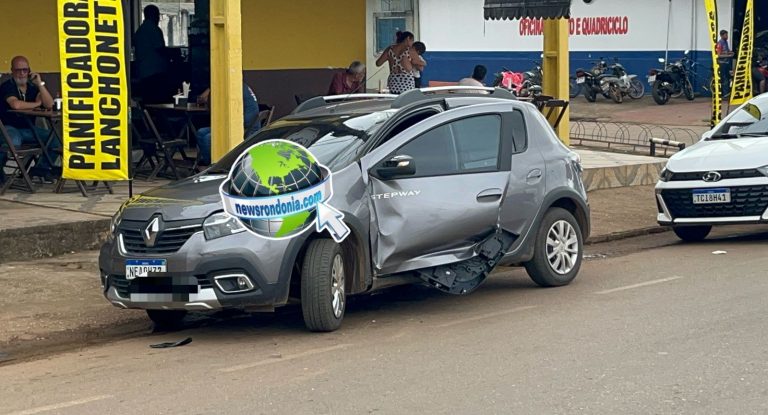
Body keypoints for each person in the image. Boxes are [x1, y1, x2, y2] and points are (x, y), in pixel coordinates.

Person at [0, 56, 58, 182]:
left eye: (25, 70)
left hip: (29, 129)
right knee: (13, 143)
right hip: (8, 128)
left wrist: (40, 84)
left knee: (54, 140)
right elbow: (16, 105)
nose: (21, 73)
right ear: (12, 71)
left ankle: (40, 169)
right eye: (18, 70)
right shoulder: (7, 86)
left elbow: (49, 104)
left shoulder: (32, 87)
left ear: (29, 71)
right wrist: (37, 104)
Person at [195, 82, 260, 167]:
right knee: (201, 132)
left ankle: (213, 166)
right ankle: (207, 161)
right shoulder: (239, 85)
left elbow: (242, 120)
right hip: (240, 124)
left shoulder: (235, 89)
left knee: (208, 138)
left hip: (246, 129)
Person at [133, 5, 172, 103]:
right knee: (158, 101)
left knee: (149, 101)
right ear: (153, 15)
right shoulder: (154, 29)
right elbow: (160, 48)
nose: (158, 18)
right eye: (157, 15)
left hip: (144, 72)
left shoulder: (140, 31)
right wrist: (172, 55)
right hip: (155, 72)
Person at [716, 30, 734, 97]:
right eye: (726, 35)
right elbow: (719, 55)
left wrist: (730, 52)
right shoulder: (720, 43)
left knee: (730, 77)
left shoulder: (726, 42)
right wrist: (728, 56)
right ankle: (721, 94)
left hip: (727, 63)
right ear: (721, 35)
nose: (727, 36)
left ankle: (729, 92)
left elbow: (727, 51)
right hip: (722, 64)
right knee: (722, 79)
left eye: (727, 35)